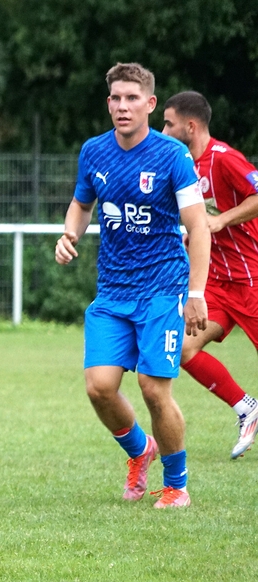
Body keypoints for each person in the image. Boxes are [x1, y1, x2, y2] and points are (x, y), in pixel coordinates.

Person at [55, 63, 211, 508]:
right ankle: (141, 450)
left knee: (153, 388)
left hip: (163, 288)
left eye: (132, 98)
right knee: (99, 387)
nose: (122, 106)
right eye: (116, 98)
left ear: (150, 104)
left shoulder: (172, 156)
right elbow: (81, 204)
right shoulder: (94, 151)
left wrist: (195, 293)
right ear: (108, 103)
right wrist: (69, 234)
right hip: (112, 290)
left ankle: (176, 485)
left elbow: (198, 227)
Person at [161, 91, 258, 459]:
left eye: (168, 124)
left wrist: (221, 220)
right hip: (216, 284)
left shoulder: (224, 158)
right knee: (183, 349)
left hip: (251, 279)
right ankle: (247, 408)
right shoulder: (184, 166)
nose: (163, 131)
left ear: (190, 126)